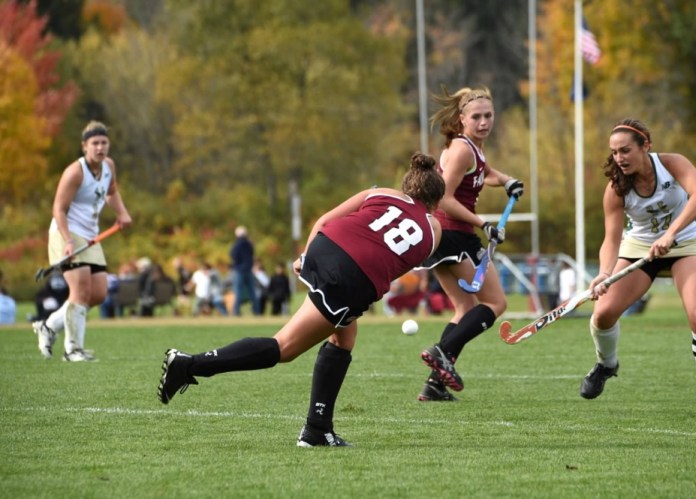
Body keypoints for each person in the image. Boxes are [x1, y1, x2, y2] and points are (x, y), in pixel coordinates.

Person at [157, 152, 445, 447]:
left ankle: (318, 428)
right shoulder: (434, 229)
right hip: (349, 277)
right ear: (437, 201)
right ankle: (189, 364)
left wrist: (306, 256)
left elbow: (324, 220)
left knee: (344, 338)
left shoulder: (381, 192)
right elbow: (392, 261)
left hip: (326, 246)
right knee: (284, 348)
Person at [580, 118, 696, 418]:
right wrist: (604, 273)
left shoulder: (672, 164)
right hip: (638, 247)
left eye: (625, 150)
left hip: (684, 242)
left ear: (645, 146)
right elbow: (611, 239)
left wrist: (671, 233)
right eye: (614, 152)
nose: (619, 158)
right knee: (603, 313)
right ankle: (607, 364)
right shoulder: (615, 189)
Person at [415, 86, 524, 402]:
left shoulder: (473, 149)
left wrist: (506, 181)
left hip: (444, 234)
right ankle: (442, 351)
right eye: (476, 117)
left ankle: (434, 385)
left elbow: (485, 172)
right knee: (495, 304)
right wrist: (484, 224)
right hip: (453, 233)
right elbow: (443, 198)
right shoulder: (463, 149)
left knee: (464, 308)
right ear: (462, 118)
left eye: (488, 116)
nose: (483, 122)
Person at [32, 120, 132, 361]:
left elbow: (111, 191)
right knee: (80, 291)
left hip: (90, 235)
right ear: (84, 146)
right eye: (95, 143)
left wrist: (121, 212)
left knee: (98, 293)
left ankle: (48, 326)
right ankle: (73, 350)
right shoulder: (75, 172)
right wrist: (67, 240)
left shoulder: (108, 166)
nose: (100, 148)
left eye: (104, 143)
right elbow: (58, 209)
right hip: (65, 232)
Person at [230, 226, 257, 316]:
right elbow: (252, 255)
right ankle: (256, 311)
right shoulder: (249, 244)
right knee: (252, 292)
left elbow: (233, 255)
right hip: (248, 269)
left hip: (239, 270)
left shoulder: (237, 244)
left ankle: (236, 312)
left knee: (238, 291)